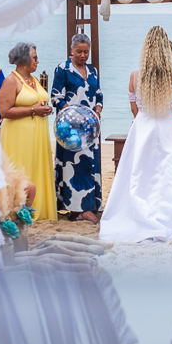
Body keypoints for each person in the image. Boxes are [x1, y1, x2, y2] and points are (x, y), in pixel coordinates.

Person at [100, 27, 172, 243]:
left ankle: (140, 212)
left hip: (143, 125)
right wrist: (170, 123)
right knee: (168, 173)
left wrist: (144, 120)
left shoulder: (135, 76)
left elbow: (134, 108)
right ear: (166, 50)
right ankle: (167, 215)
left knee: (141, 171)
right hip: (168, 125)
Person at [0, 42, 56, 221]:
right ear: (23, 59)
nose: (37, 61)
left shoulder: (34, 79)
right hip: (18, 135)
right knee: (22, 168)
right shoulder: (11, 81)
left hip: (37, 135)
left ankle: (37, 209)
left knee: (37, 166)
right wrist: (33, 111)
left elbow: (38, 100)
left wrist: (45, 109)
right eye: (35, 58)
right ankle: (19, 210)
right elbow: (5, 112)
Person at [51, 33, 105, 222]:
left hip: (90, 128)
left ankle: (90, 206)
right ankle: (75, 209)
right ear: (71, 50)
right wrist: (75, 116)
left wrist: (97, 109)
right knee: (73, 167)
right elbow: (57, 97)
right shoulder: (63, 69)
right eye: (78, 51)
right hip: (71, 129)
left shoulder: (93, 71)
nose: (82, 55)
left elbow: (98, 93)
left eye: (86, 52)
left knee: (91, 165)